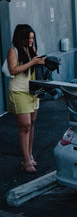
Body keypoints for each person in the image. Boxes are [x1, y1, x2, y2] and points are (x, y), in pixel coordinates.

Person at [6, 24, 46, 173]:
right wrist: (32, 62)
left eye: (32, 37)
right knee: (25, 126)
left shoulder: (32, 50)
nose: (31, 40)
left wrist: (42, 62)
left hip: (32, 91)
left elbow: (34, 67)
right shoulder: (13, 51)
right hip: (18, 91)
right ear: (20, 38)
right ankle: (26, 160)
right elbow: (13, 69)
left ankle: (29, 156)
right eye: (28, 38)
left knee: (32, 124)